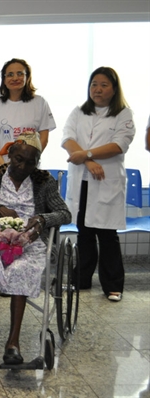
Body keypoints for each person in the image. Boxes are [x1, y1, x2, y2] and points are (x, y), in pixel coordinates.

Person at [0, 133, 70, 365]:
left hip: (29, 241)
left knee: (21, 268)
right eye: (18, 159)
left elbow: (65, 213)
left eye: (30, 162)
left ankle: (13, 344)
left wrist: (42, 218)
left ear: (37, 162)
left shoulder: (44, 181)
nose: (23, 166)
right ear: (9, 155)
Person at [61, 66, 136, 302]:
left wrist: (87, 156)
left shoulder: (123, 113)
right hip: (82, 180)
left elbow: (119, 145)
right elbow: (67, 138)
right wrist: (88, 160)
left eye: (104, 85)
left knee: (106, 234)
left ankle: (113, 286)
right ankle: (80, 280)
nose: (98, 89)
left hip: (106, 181)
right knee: (84, 233)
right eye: (94, 84)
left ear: (114, 89)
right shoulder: (79, 111)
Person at [0, 58, 55, 166]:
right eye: (10, 74)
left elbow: (43, 139)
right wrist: (4, 167)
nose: (15, 78)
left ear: (27, 77)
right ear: (4, 80)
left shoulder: (40, 103)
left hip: (28, 169)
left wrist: (25, 163)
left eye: (20, 73)